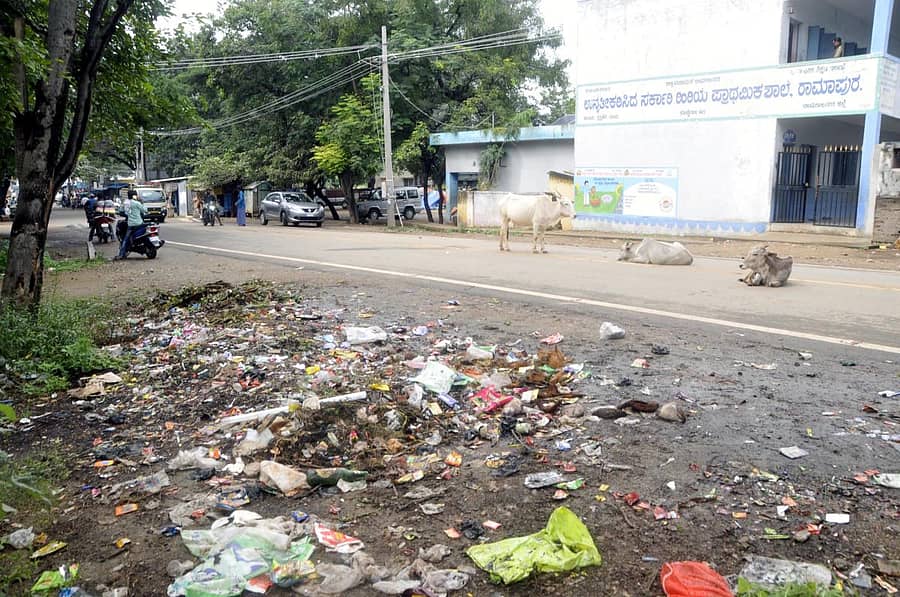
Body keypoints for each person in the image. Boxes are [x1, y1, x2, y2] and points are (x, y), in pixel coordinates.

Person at [115, 191, 147, 260]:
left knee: (125, 240)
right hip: (139, 223)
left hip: (131, 224)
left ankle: (121, 255)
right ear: (134, 196)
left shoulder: (126, 203)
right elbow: (145, 210)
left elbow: (122, 211)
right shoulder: (137, 203)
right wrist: (142, 203)